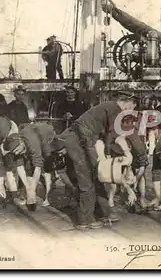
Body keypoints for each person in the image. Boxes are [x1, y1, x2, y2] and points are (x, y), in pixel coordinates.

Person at [57, 92, 138, 230]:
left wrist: (104, 156)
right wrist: (127, 153)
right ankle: (84, 220)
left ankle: (104, 213)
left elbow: (107, 136)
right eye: (131, 108)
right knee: (87, 179)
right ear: (128, 104)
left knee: (98, 175)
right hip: (78, 141)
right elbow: (118, 137)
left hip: (80, 140)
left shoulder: (109, 107)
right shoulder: (115, 109)